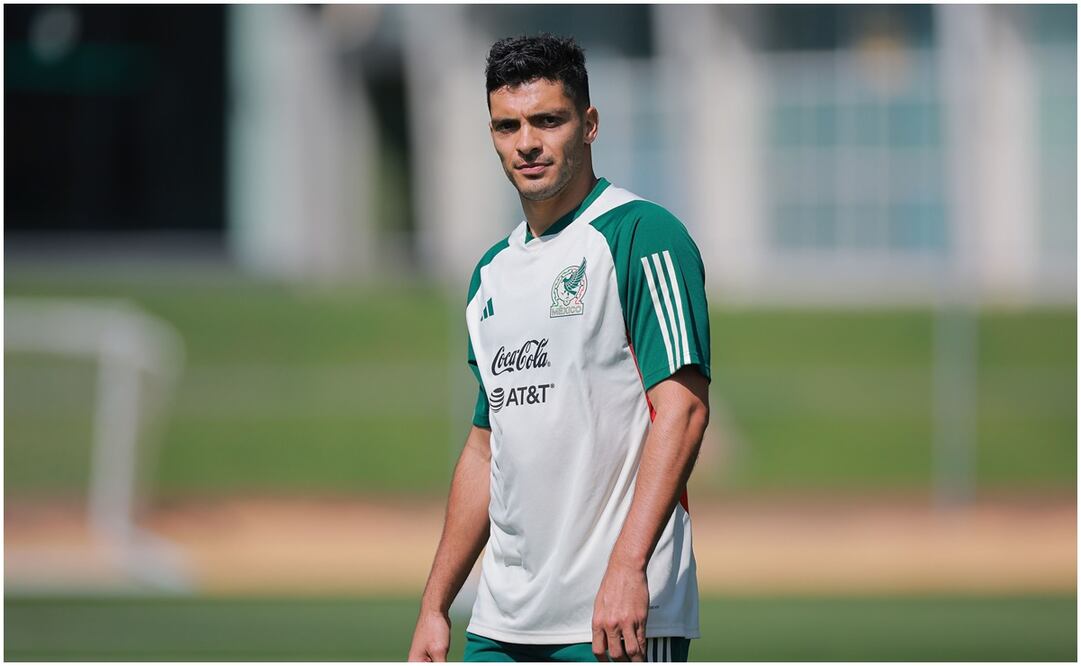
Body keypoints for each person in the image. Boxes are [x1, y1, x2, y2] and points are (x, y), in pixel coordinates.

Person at [408, 34, 711, 663]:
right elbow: (484, 447)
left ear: (589, 124)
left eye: (549, 120)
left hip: (615, 619)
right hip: (500, 622)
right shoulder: (490, 273)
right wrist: (436, 605)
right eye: (507, 125)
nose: (527, 142)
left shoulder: (641, 235)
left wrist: (630, 569)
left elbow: (681, 411)